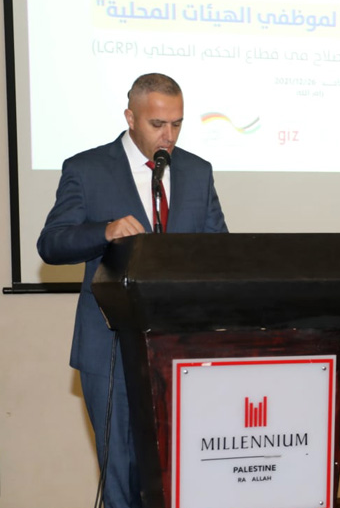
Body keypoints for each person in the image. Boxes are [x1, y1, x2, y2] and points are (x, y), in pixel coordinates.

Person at [37, 73, 227, 508]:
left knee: (181, 474)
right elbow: (51, 243)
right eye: (158, 124)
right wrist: (103, 231)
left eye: (177, 124)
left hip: (181, 350)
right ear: (130, 117)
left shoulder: (197, 171)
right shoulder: (87, 169)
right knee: (121, 478)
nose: (169, 136)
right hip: (110, 348)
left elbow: (219, 250)